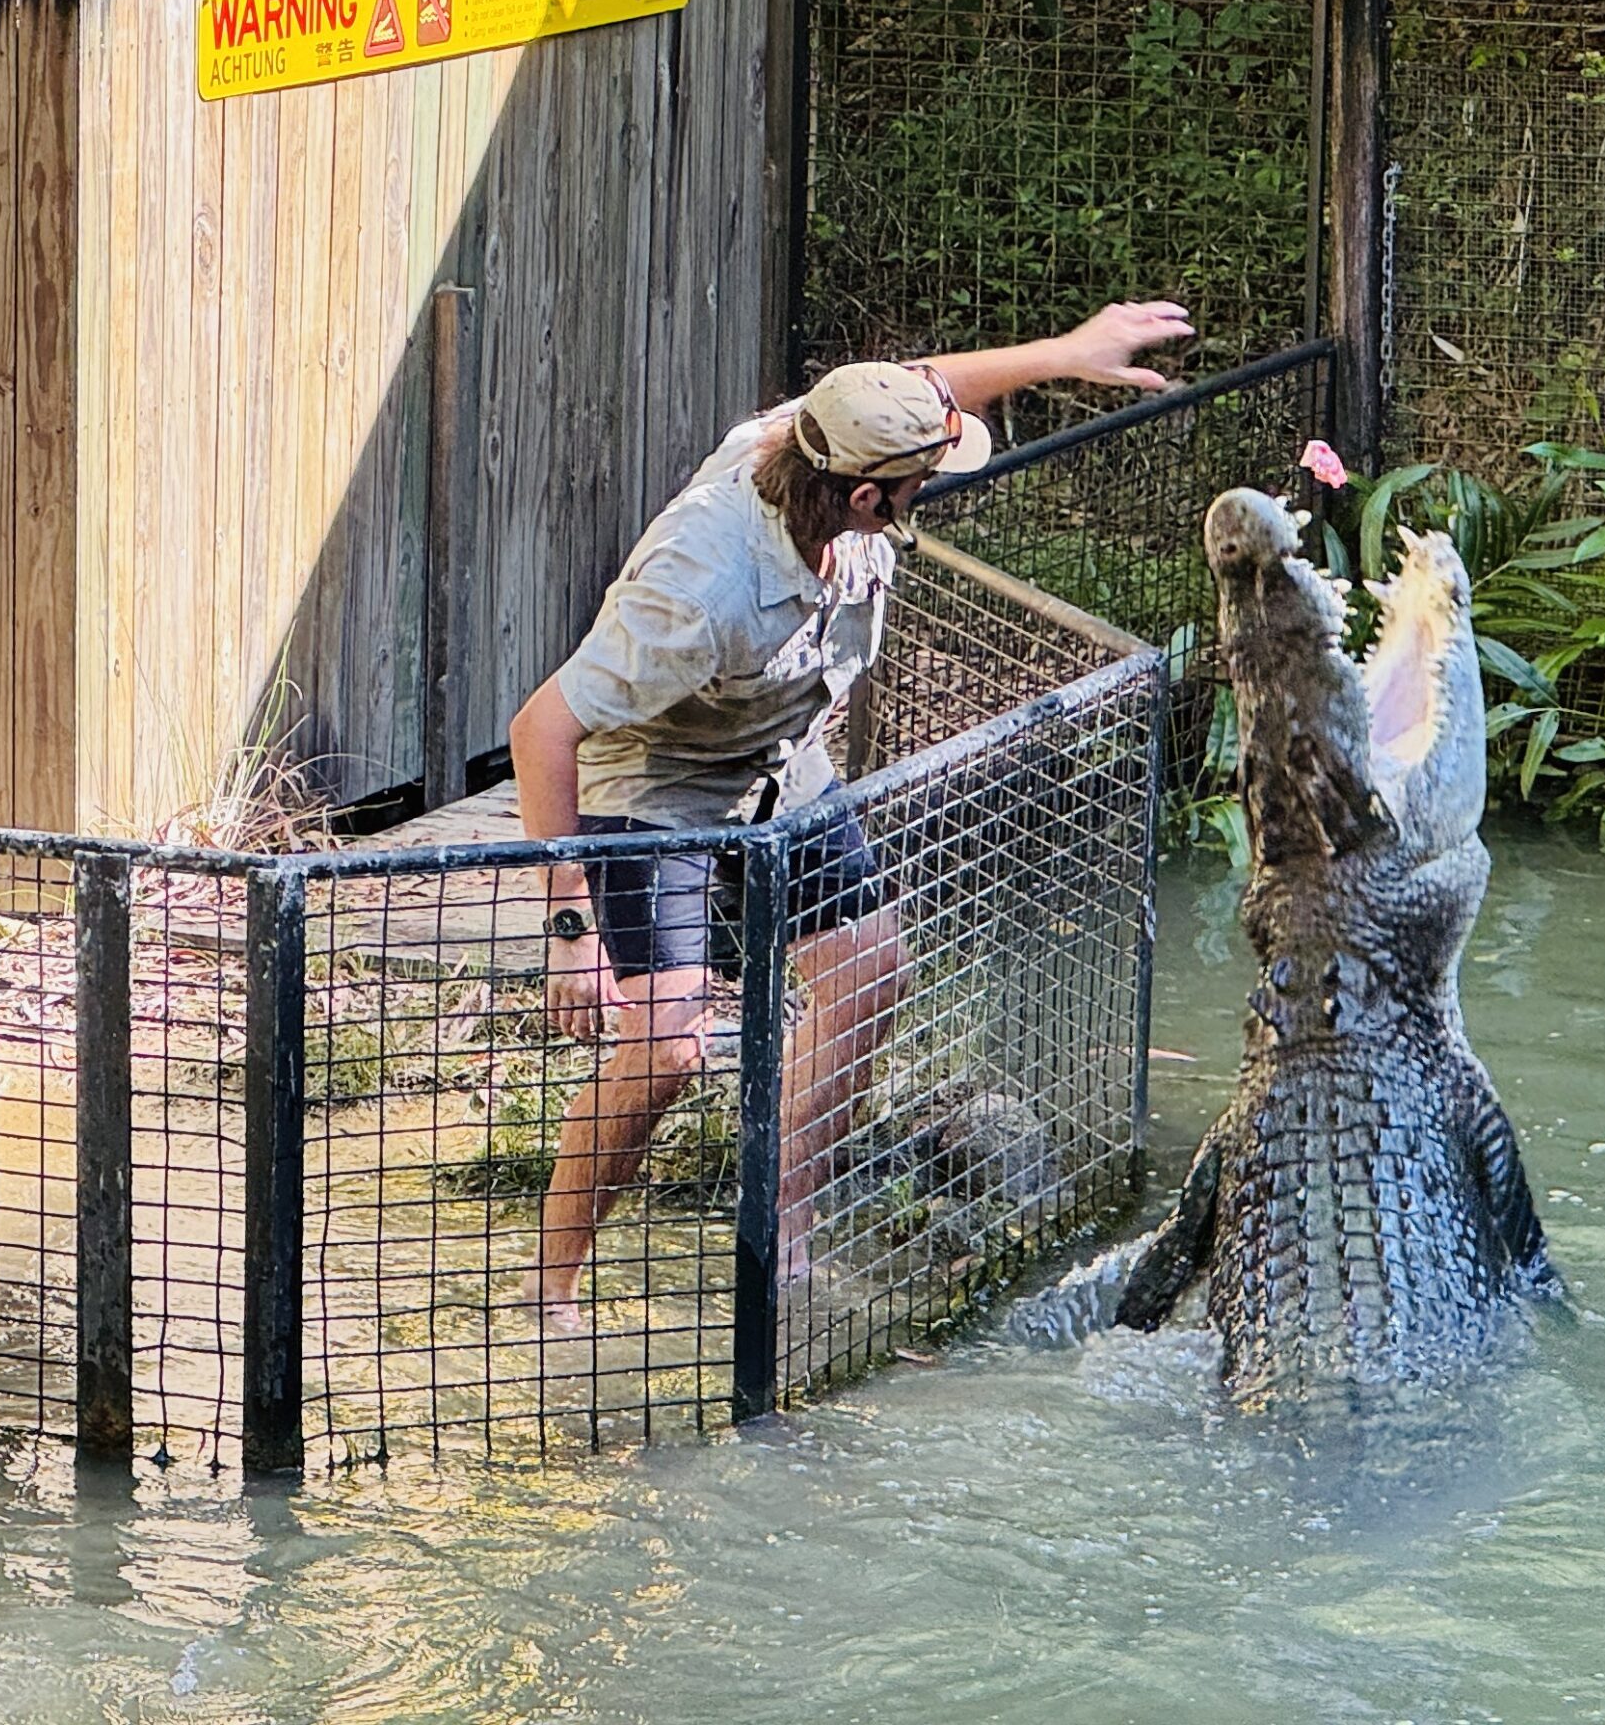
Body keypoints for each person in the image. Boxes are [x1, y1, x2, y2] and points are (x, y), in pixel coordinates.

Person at [510, 302, 1195, 1331]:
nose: (942, 482)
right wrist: (571, 930)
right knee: (666, 1046)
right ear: (870, 495)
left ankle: (776, 1235)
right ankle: (548, 1289)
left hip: (783, 755)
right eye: (923, 482)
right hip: (658, 779)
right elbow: (542, 729)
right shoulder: (698, 589)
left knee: (871, 973)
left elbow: (928, 381)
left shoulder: (821, 434)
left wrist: (1062, 355)